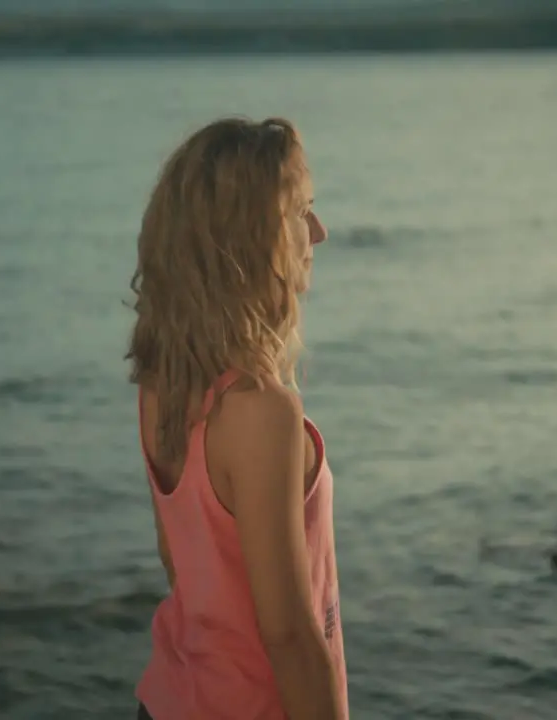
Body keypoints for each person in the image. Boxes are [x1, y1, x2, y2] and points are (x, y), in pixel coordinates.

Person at [124, 116, 346, 720]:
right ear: (253, 237)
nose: (319, 233)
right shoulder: (260, 413)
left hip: (170, 699)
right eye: (301, 213)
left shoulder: (163, 378)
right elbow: (291, 638)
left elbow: (178, 560)